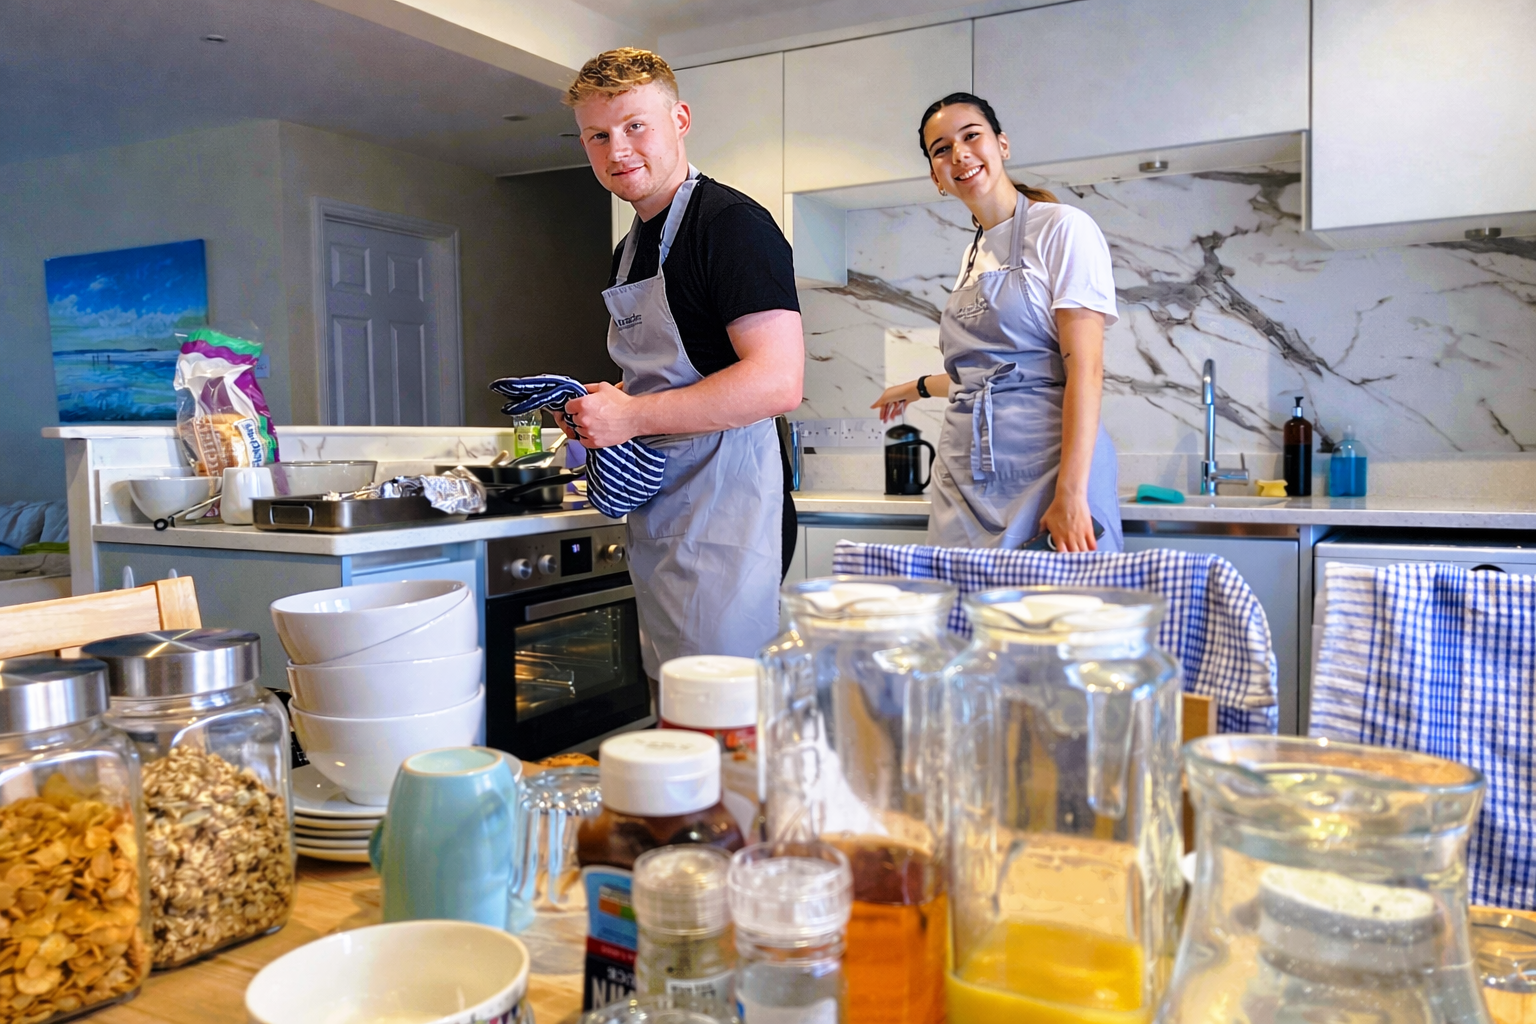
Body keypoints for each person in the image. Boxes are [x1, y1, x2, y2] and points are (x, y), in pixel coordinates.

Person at [558, 48, 804, 676]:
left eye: (635, 125)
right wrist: (604, 407)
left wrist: (633, 415)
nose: (618, 151)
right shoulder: (629, 247)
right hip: (664, 508)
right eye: (598, 135)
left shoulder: (731, 226)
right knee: (677, 709)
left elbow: (778, 381)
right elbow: (666, 373)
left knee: (724, 720)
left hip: (730, 507)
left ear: (681, 119)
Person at [871, 92, 1122, 553]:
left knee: (1055, 620)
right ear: (935, 176)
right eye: (941, 149)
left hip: (1048, 467)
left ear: (1001, 145)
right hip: (964, 477)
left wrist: (1071, 493)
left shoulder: (1063, 228)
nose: (959, 154)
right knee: (965, 618)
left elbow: (1083, 370)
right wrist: (917, 387)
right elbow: (987, 375)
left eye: (971, 136)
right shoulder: (974, 252)